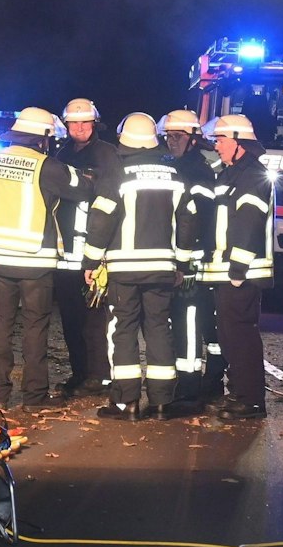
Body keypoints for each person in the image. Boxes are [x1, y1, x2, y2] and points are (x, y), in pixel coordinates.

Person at [83, 113, 201, 420]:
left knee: (123, 331)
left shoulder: (117, 174)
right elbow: (188, 219)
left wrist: (91, 261)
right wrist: (182, 262)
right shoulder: (175, 175)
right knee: (159, 328)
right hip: (162, 269)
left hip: (123, 269)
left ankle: (127, 403)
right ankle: (162, 402)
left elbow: (101, 219)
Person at [0, 106, 87, 411]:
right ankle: (34, 397)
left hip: (0, 256)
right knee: (35, 328)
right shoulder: (46, 166)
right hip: (35, 258)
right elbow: (82, 189)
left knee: (0, 327)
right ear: (43, 138)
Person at [206, 114, 275, 418]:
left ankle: (250, 400)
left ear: (239, 142)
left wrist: (237, 269)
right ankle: (239, 393)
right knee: (230, 334)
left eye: (221, 140)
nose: (217, 146)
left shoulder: (251, 175)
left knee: (241, 335)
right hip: (232, 271)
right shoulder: (234, 173)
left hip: (243, 273)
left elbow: (249, 223)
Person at [51, 97, 120, 398]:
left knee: (95, 317)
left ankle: (99, 375)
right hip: (65, 251)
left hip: (94, 250)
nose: (79, 128)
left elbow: (110, 203)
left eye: (84, 123)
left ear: (95, 124)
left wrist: (98, 250)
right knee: (71, 316)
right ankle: (79, 372)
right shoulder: (61, 154)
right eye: (73, 123)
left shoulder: (107, 154)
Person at [160, 109, 221, 407]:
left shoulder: (197, 171)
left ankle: (189, 387)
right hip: (185, 259)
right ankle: (206, 381)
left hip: (193, 263)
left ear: (194, 139)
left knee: (189, 322)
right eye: (168, 136)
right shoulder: (177, 167)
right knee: (198, 323)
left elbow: (201, 219)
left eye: (178, 136)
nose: (172, 141)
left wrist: (187, 261)